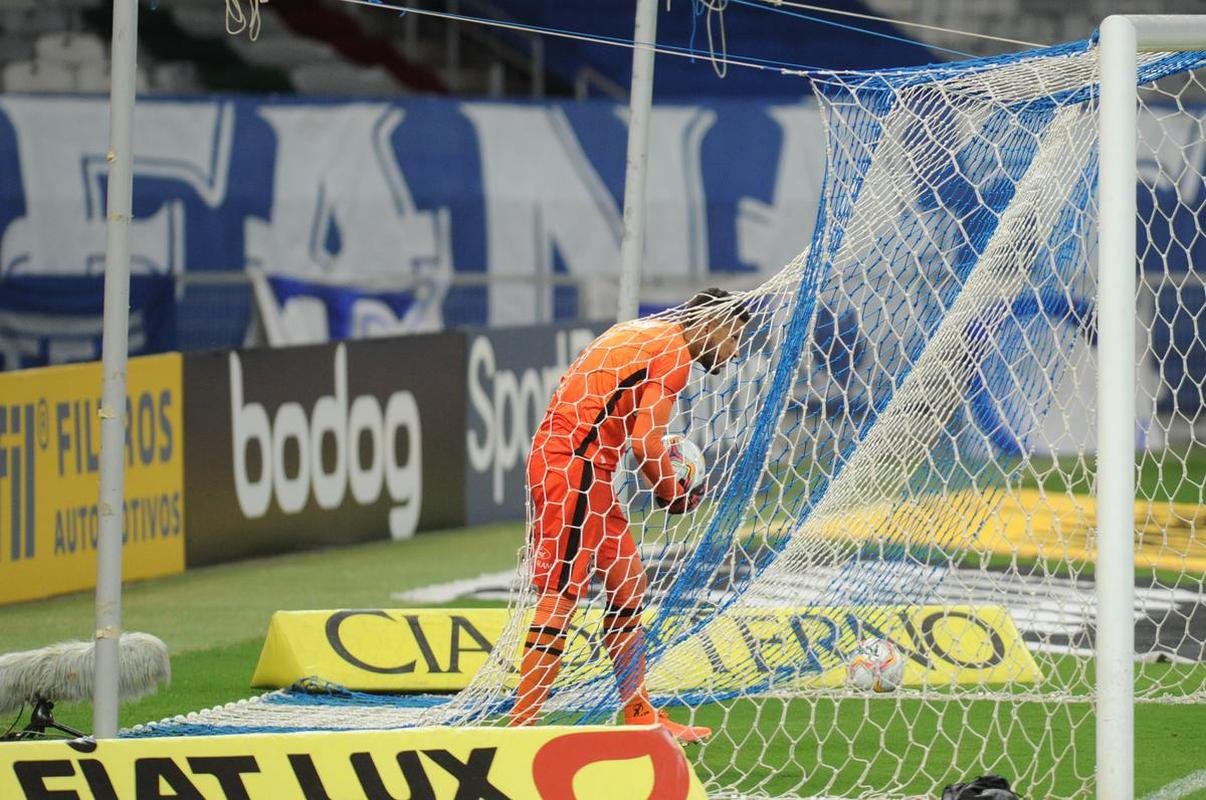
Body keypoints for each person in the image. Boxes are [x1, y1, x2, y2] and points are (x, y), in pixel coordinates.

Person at [510, 288, 751, 741]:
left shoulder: (639, 332)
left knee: (628, 585)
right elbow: (645, 442)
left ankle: (640, 716)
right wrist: (673, 492)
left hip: (581, 468)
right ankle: (521, 729)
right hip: (574, 467)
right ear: (711, 323)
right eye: (735, 337)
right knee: (563, 593)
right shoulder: (674, 352)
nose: (736, 352)